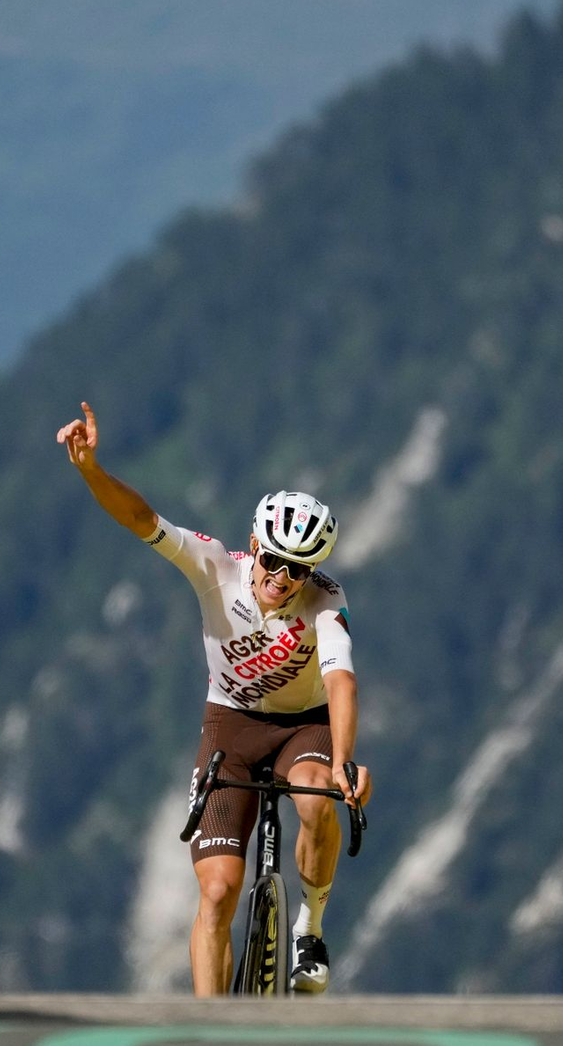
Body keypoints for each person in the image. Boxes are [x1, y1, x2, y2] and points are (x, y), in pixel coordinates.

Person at [57, 401, 371, 995]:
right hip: (230, 727)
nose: (282, 579)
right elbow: (141, 517)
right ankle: (208, 1028)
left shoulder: (327, 601)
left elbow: (341, 683)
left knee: (313, 802)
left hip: (305, 725)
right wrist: (91, 470)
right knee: (220, 889)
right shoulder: (216, 568)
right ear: (254, 545)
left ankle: (310, 929)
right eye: (275, 561)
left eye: (299, 570)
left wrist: (342, 763)